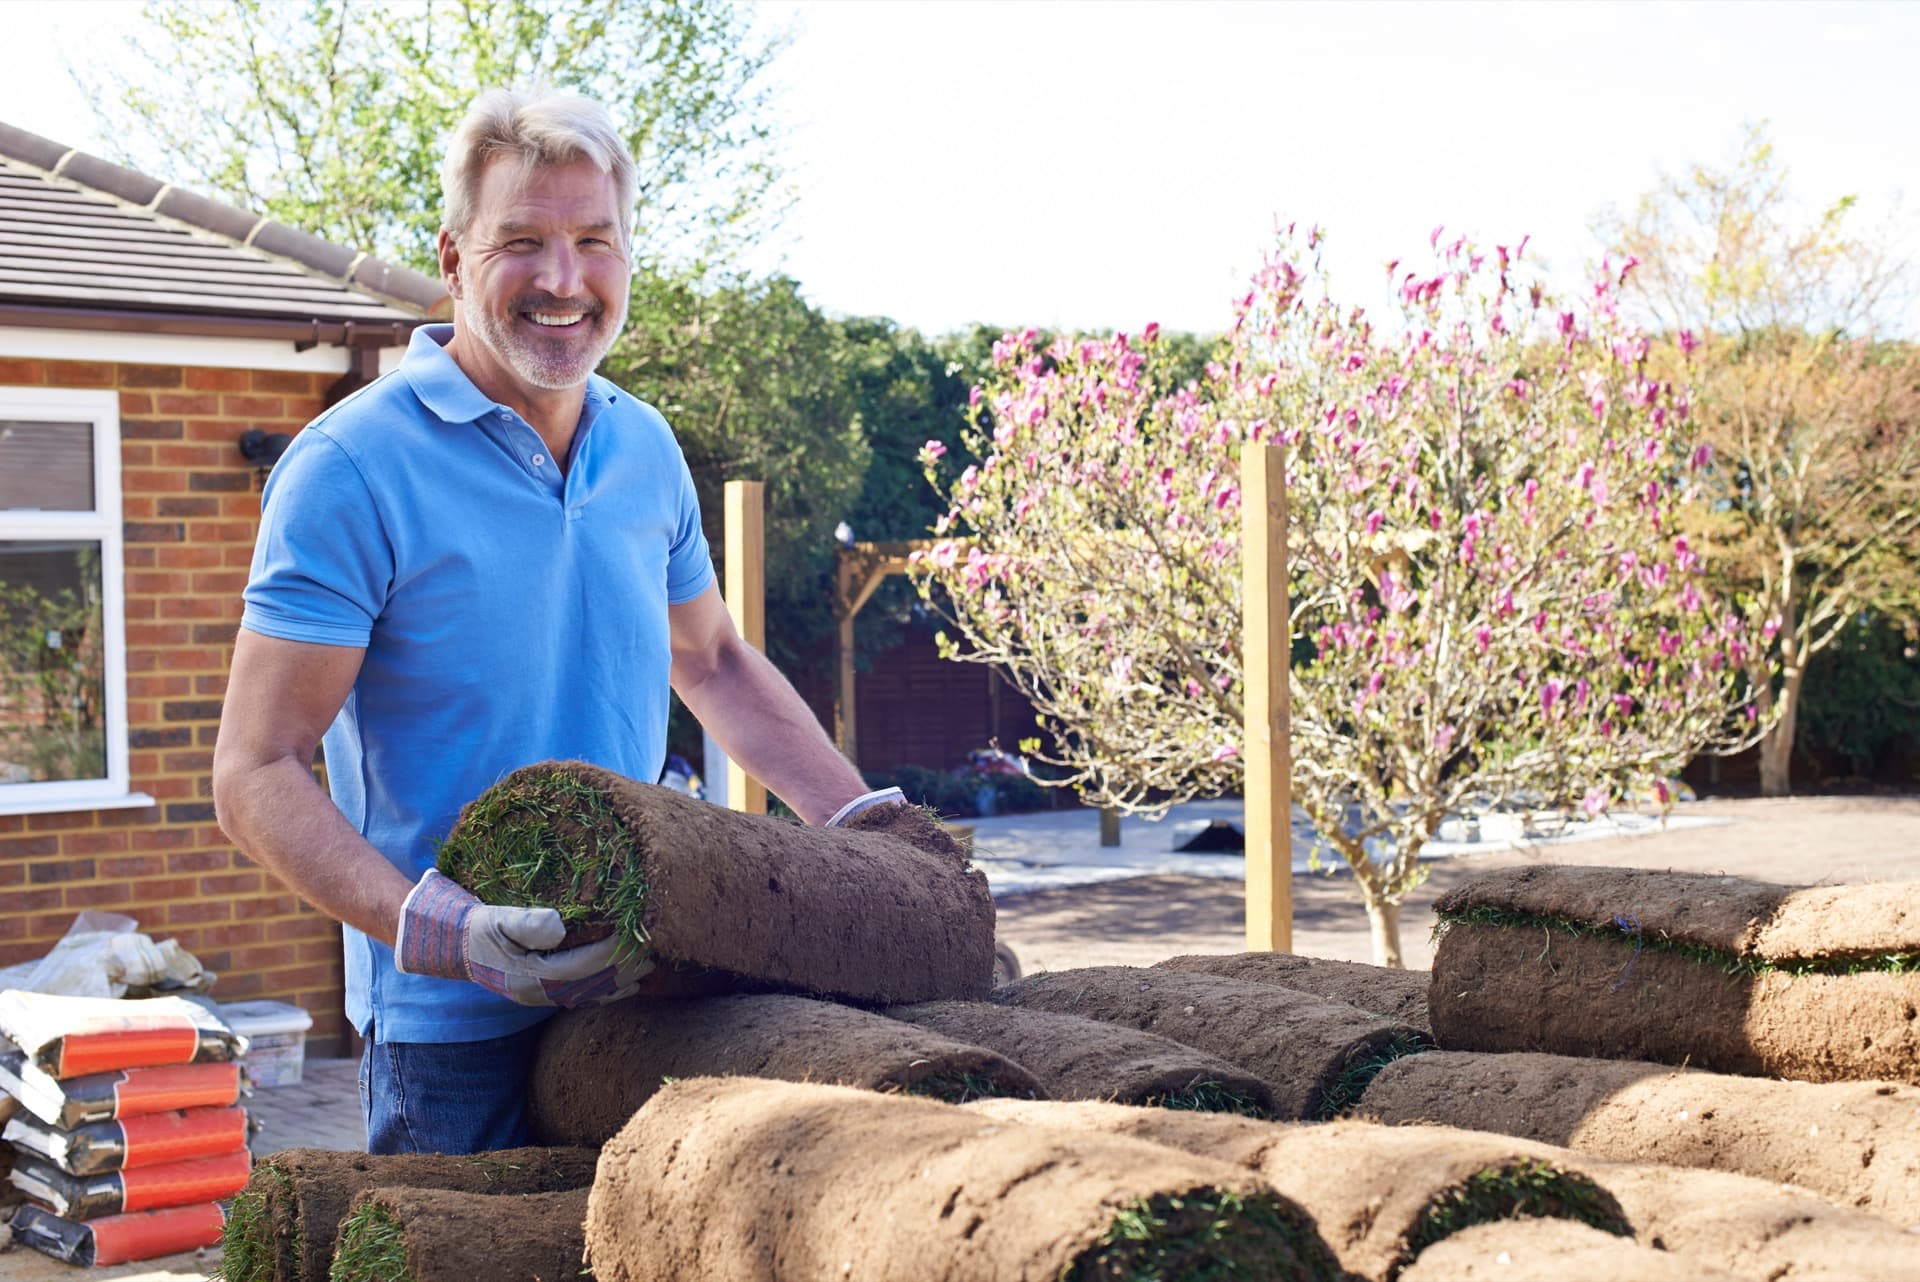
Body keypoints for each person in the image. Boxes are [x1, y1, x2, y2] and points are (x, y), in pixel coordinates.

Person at [210, 88, 895, 1156]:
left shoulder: (644, 447)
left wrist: (867, 830)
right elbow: (255, 772)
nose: (564, 279)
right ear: (454, 259)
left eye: (594, 241)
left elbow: (712, 660)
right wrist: (439, 930)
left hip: (638, 987)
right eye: (522, 241)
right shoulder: (350, 467)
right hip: (449, 1036)